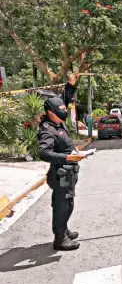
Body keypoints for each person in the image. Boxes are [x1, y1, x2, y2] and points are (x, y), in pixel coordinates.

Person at [37, 74, 86, 251]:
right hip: (60, 174)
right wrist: (67, 157)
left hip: (68, 171)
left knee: (67, 203)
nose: (63, 113)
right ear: (51, 113)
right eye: (60, 112)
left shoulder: (58, 122)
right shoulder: (48, 130)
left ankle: (64, 230)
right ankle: (60, 239)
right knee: (63, 205)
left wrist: (71, 84)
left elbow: (64, 99)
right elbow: (43, 152)